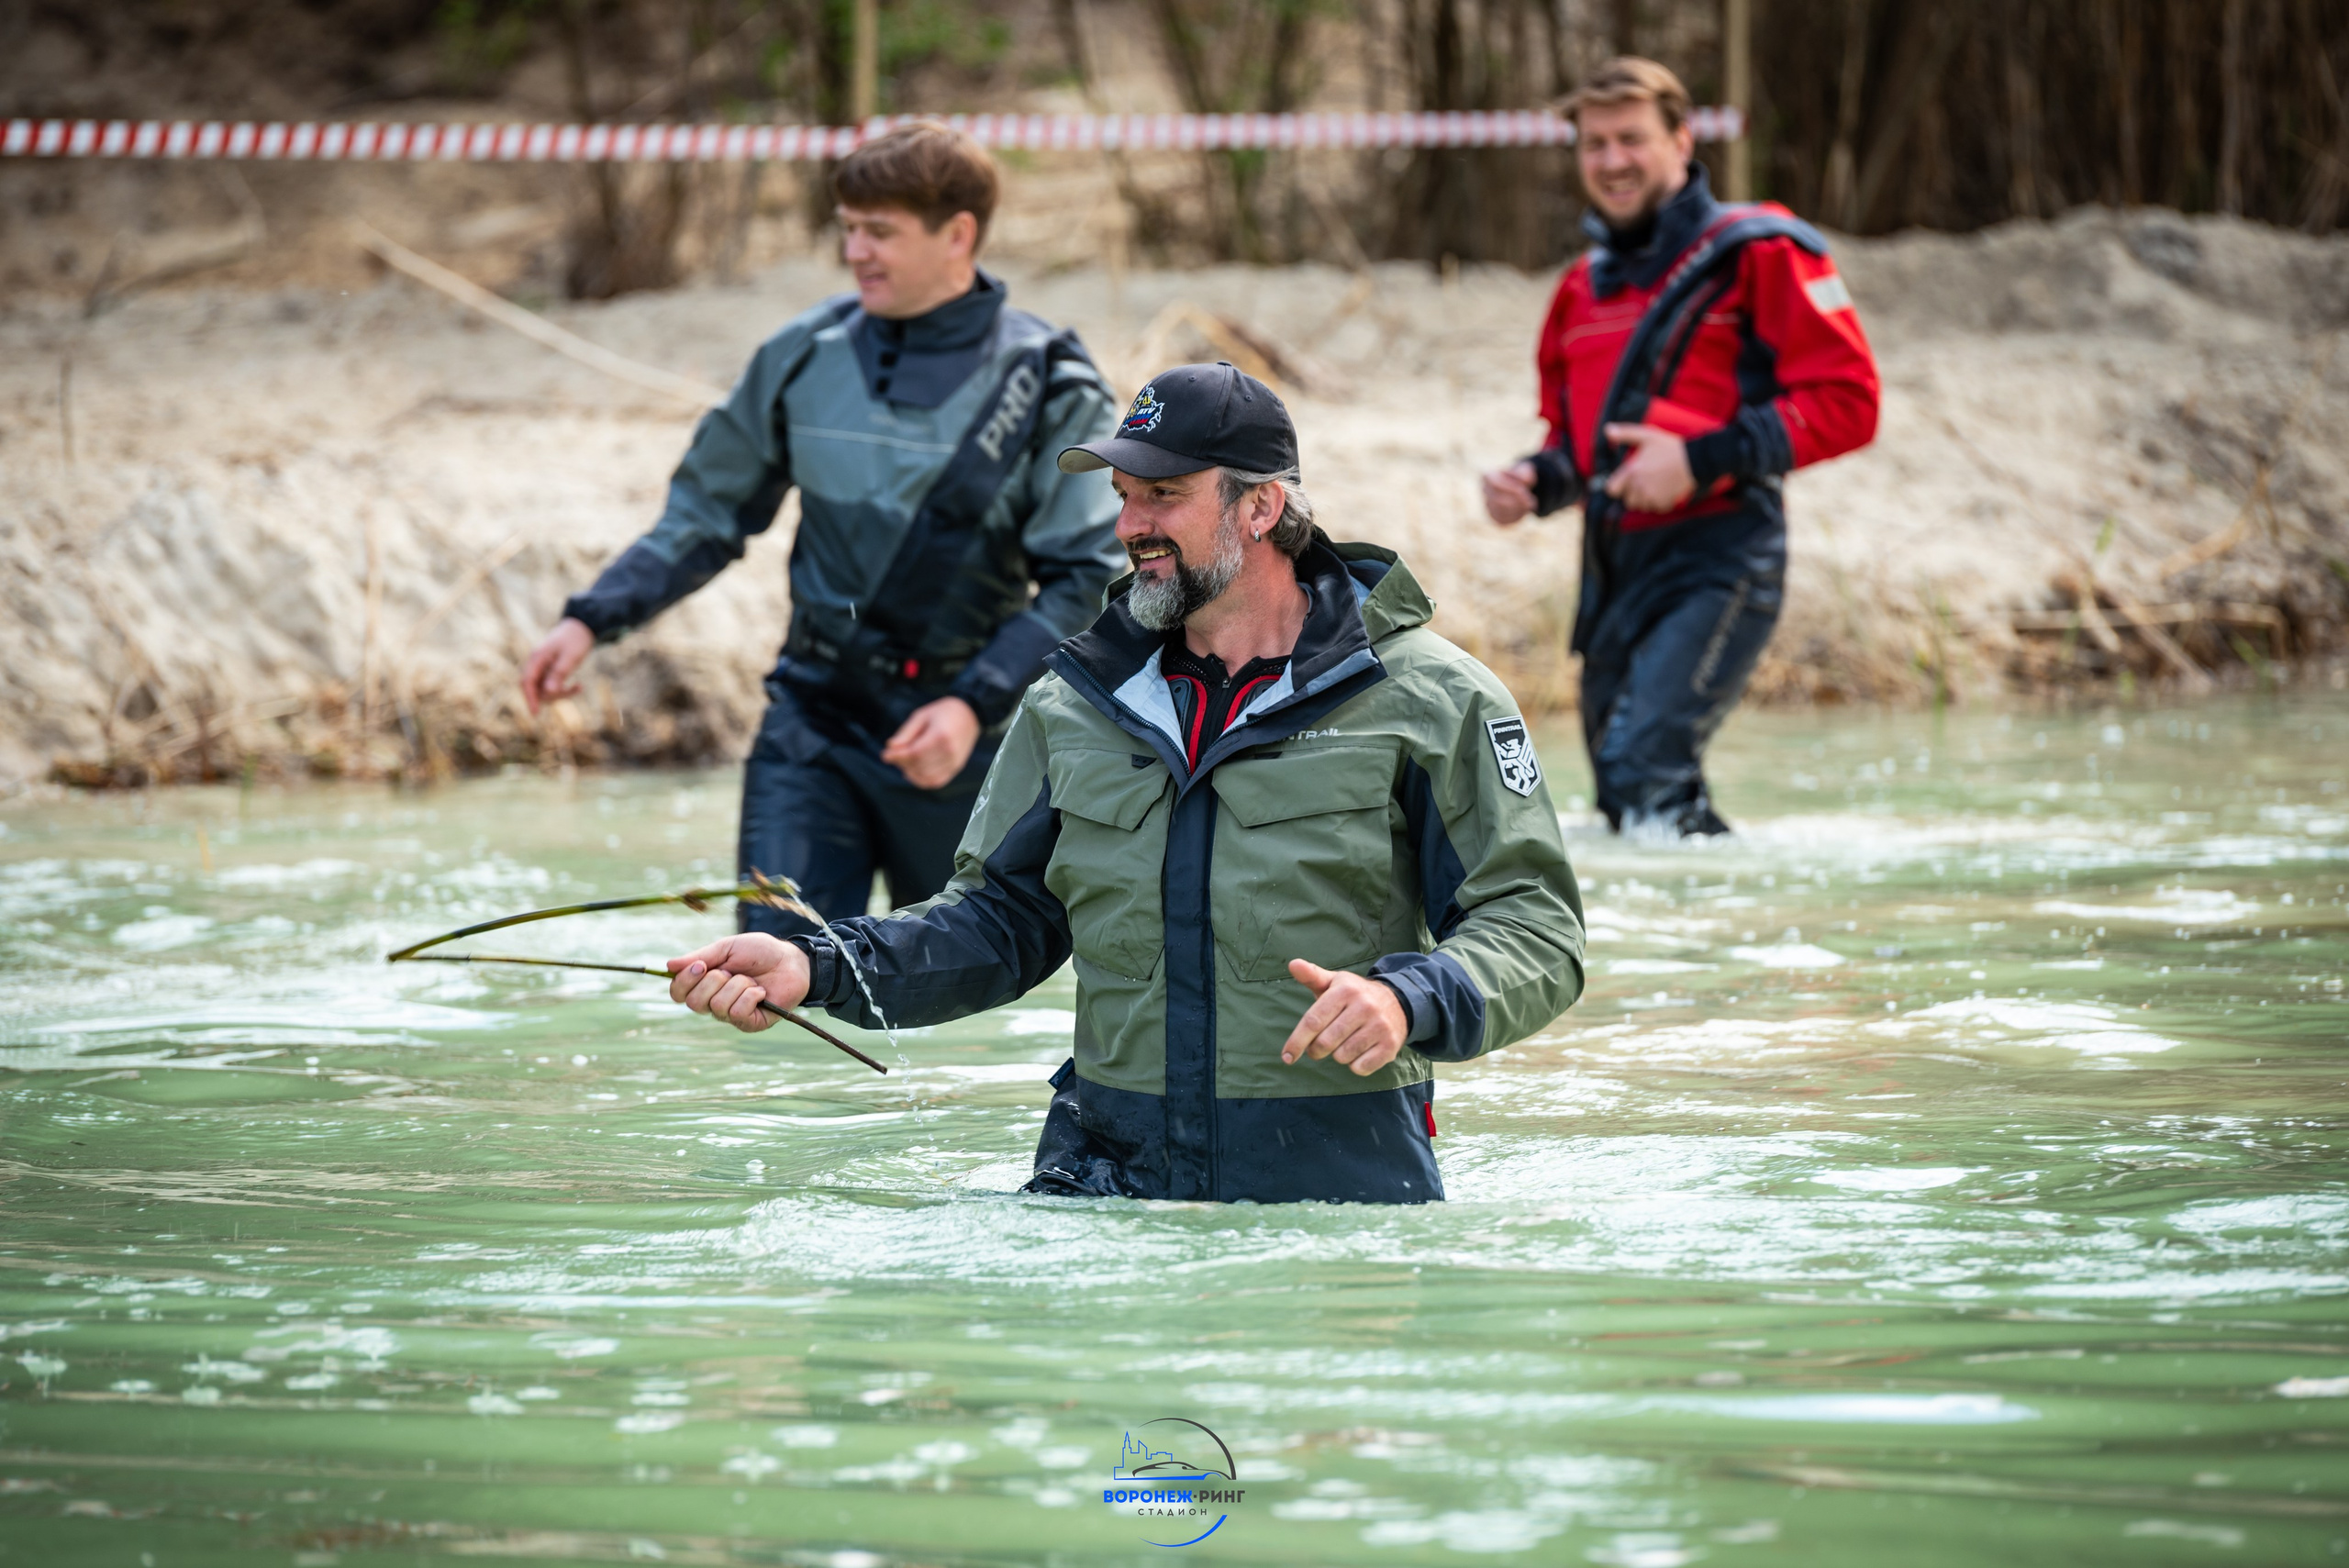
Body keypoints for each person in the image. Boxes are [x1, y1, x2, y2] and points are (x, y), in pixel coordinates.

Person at [664, 362, 1587, 1205]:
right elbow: (996, 921)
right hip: (1104, 1168)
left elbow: (1534, 927)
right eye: (1122, 496)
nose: (1129, 526)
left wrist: (1408, 996)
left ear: (1260, 507)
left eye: (1163, 495)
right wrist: (816, 963)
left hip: (1335, 1173)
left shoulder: (1431, 695)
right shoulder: (1072, 702)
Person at [520, 122, 1124, 932]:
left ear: (959, 235)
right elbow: (706, 514)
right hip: (811, 720)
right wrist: (591, 615)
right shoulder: (803, 354)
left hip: (965, 735)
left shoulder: (1054, 384)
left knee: (964, 998)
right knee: (775, 977)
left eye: (880, 231)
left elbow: (1081, 583)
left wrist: (970, 704)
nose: (856, 251)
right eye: (847, 228)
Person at [1480, 57, 1881, 836]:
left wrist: (1695, 460)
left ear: (1682, 138)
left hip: (1723, 557)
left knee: (1643, 776)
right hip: (1615, 568)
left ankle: (1732, 944)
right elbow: (1577, 451)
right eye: (1593, 143)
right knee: (1624, 800)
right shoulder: (1578, 288)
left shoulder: (1765, 251)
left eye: (1631, 137)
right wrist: (1534, 480)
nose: (1611, 160)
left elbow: (1852, 405)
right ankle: (1718, 927)